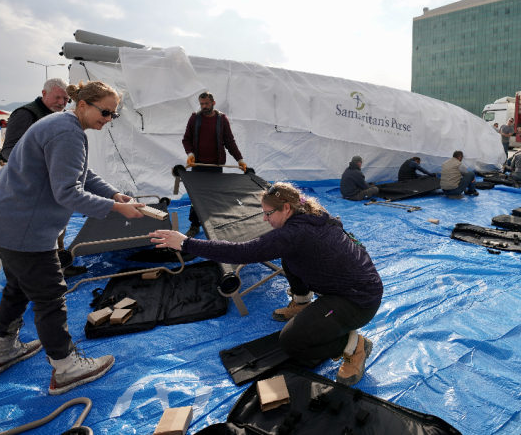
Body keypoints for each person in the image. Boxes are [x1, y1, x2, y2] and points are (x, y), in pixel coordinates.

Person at [0, 80, 145, 395]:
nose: (107, 119)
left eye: (113, 115)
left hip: (2, 222)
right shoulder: (68, 133)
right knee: (50, 294)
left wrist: (115, 194)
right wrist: (117, 209)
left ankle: (4, 349)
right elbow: (68, 193)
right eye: (105, 112)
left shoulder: (63, 125)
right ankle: (66, 367)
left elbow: (84, 174)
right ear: (82, 105)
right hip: (21, 228)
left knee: (18, 286)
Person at [149, 182, 383, 386]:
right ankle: (302, 302)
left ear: (287, 208)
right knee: (290, 258)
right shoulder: (314, 214)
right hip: (356, 285)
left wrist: (187, 243)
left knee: (291, 342)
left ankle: (354, 345)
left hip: (357, 302)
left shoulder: (294, 234)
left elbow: (243, 252)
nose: (264, 218)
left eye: (268, 213)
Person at [182, 91, 248, 237]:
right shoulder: (194, 118)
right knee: (196, 198)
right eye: (201, 104)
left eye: (206, 103)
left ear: (213, 103)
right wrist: (190, 154)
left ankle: (214, 225)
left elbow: (229, 142)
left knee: (214, 197)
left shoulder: (222, 120)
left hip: (216, 166)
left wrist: (240, 160)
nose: (204, 106)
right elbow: (186, 139)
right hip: (198, 166)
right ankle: (195, 225)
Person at [0, 79, 70, 163]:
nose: (61, 102)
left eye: (66, 99)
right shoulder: (25, 114)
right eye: (57, 97)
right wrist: (33, 166)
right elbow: (9, 149)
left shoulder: (65, 117)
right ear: (44, 94)